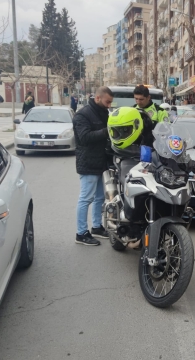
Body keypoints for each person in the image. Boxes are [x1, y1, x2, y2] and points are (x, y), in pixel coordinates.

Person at [72, 86, 114, 246]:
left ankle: (96, 227)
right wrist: (107, 131)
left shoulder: (103, 112)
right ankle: (81, 233)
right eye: (107, 101)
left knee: (99, 198)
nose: (109, 105)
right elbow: (84, 137)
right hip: (88, 162)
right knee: (85, 198)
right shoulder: (82, 115)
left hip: (101, 162)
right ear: (98, 98)